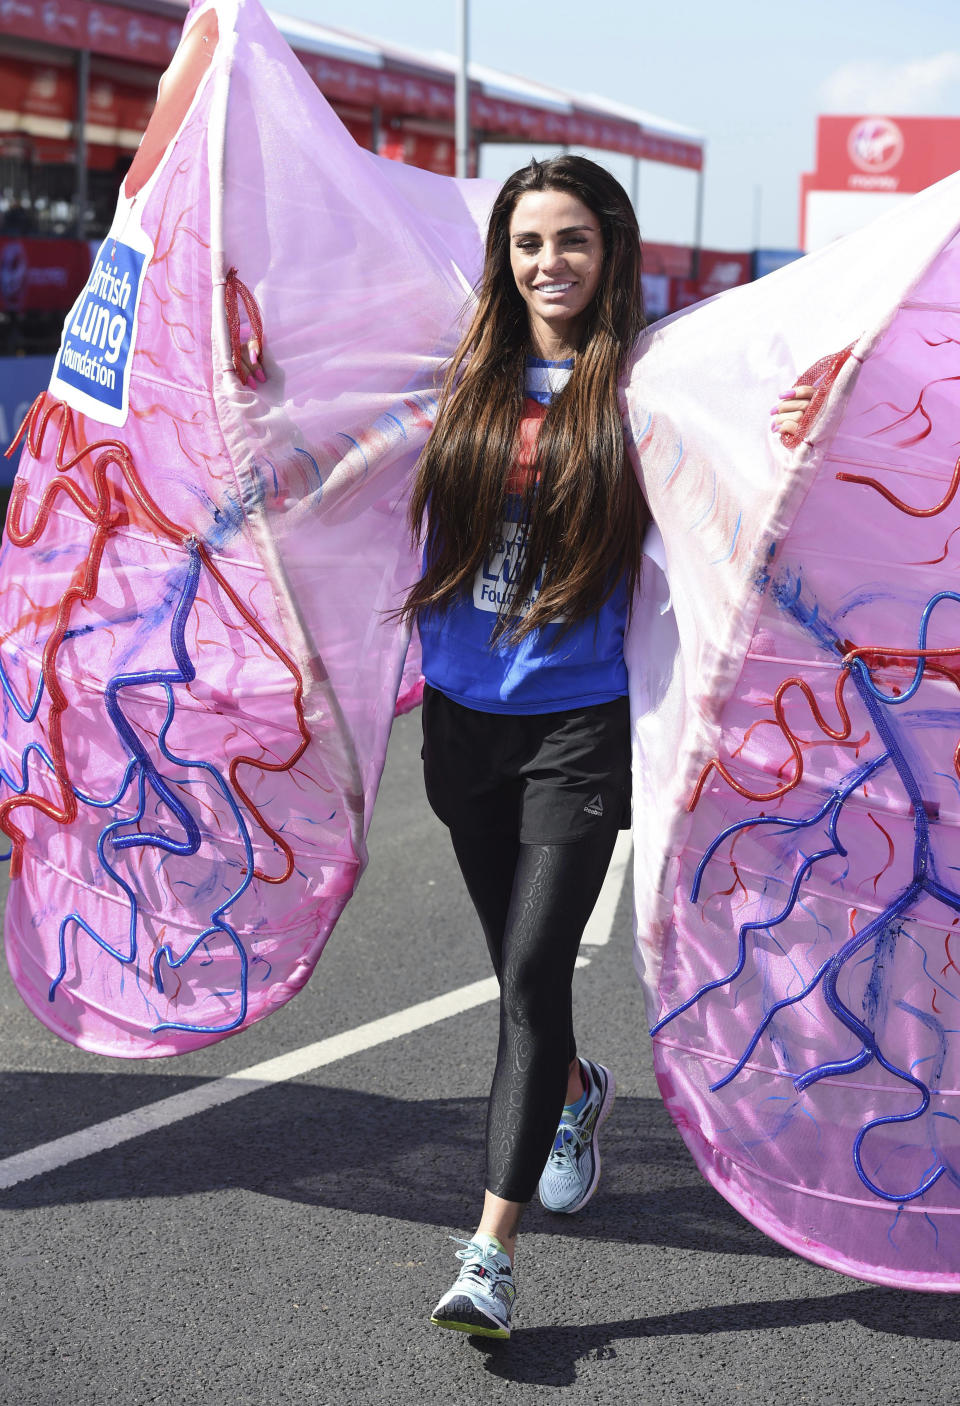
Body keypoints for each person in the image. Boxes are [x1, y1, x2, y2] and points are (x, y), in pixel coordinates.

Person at [240, 153, 811, 1340]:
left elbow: (741, 486)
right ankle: (576, 1090)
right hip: (464, 719)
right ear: (505, 258)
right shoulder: (461, 379)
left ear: (610, 252)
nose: (549, 262)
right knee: (518, 967)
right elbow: (332, 470)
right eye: (527, 243)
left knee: (532, 974)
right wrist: (252, 424)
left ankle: (489, 1253)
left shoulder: (650, 388)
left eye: (571, 241)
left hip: (580, 724)